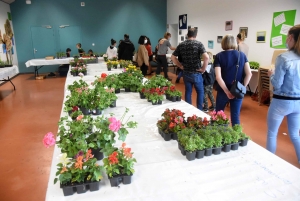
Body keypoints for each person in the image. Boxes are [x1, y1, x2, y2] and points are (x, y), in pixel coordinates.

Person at [267, 24, 300, 164]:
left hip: (281, 101)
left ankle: (268, 164)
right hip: (298, 102)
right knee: (295, 135)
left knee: (272, 134)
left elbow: (277, 84)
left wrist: (271, 75)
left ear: (291, 37)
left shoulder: (283, 57)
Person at [214, 34, 252, 126]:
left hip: (223, 91)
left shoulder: (219, 56)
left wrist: (227, 92)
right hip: (237, 91)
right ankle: (237, 137)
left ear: (223, 43)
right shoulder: (242, 55)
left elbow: (218, 77)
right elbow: (249, 74)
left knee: (218, 114)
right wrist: (241, 88)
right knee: (235, 117)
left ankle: (217, 136)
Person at [171, 28, 209, 111]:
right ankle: (199, 110)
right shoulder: (199, 44)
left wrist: (180, 66)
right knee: (200, 92)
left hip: (186, 73)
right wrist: (203, 69)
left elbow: (173, 57)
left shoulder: (181, 44)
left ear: (187, 35)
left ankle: (188, 110)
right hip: (196, 73)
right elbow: (206, 57)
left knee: (188, 92)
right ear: (196, 35)